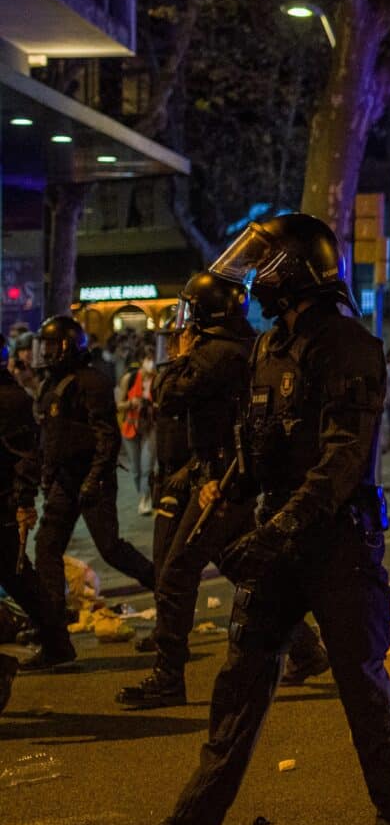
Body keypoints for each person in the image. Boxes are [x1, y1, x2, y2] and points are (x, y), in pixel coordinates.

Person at [95, 212, 390, 825]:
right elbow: (257, 447)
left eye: (266, 263)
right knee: (237, 691)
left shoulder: (348, 347)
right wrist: (228, 502)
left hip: (339, 544)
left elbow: (341, 463)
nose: (253, 277)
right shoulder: (267, 346)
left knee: (361, 685)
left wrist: (275, 530)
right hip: (281, 541)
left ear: (296, 271)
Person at [117, 272, 330, 710]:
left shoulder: (216, 354)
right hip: (220, 474)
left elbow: (170, 396)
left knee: (176, 573)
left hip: (223, 479)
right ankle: (307, 650)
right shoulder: (244, 346)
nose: (184, 324)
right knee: (245, 569)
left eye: (191, 312)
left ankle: (168, 677)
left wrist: (177, 357)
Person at [30, 314, 155, 618]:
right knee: (46, 548)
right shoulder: (52, 384)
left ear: (68, 346)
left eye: (51, 346)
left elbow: (106, 436)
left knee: (110, 549)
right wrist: (47, 478)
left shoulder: (92, 381)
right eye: (43, 346)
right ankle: (53, 629)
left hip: (92, 479)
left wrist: (94, 478)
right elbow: (50, 436)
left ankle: (166, 587)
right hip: (64, 479)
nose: (45, 353)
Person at [1, 360, 77, 671]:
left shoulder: (10, 399)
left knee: (20, 578)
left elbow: (25, 456)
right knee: (19, 578)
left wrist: (23, 502)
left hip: (2, 501)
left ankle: (57, 642)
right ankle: (57, 642)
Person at [120, 353, 155, 514]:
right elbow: (118, 405)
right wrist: (130, 403)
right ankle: (142, 495)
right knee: (135, 469)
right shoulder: (130, 378)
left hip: (150, 427)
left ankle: (145, 499)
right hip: (131, 426)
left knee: (146, 467)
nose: (151, 363)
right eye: (148, 359)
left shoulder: (158, 379)